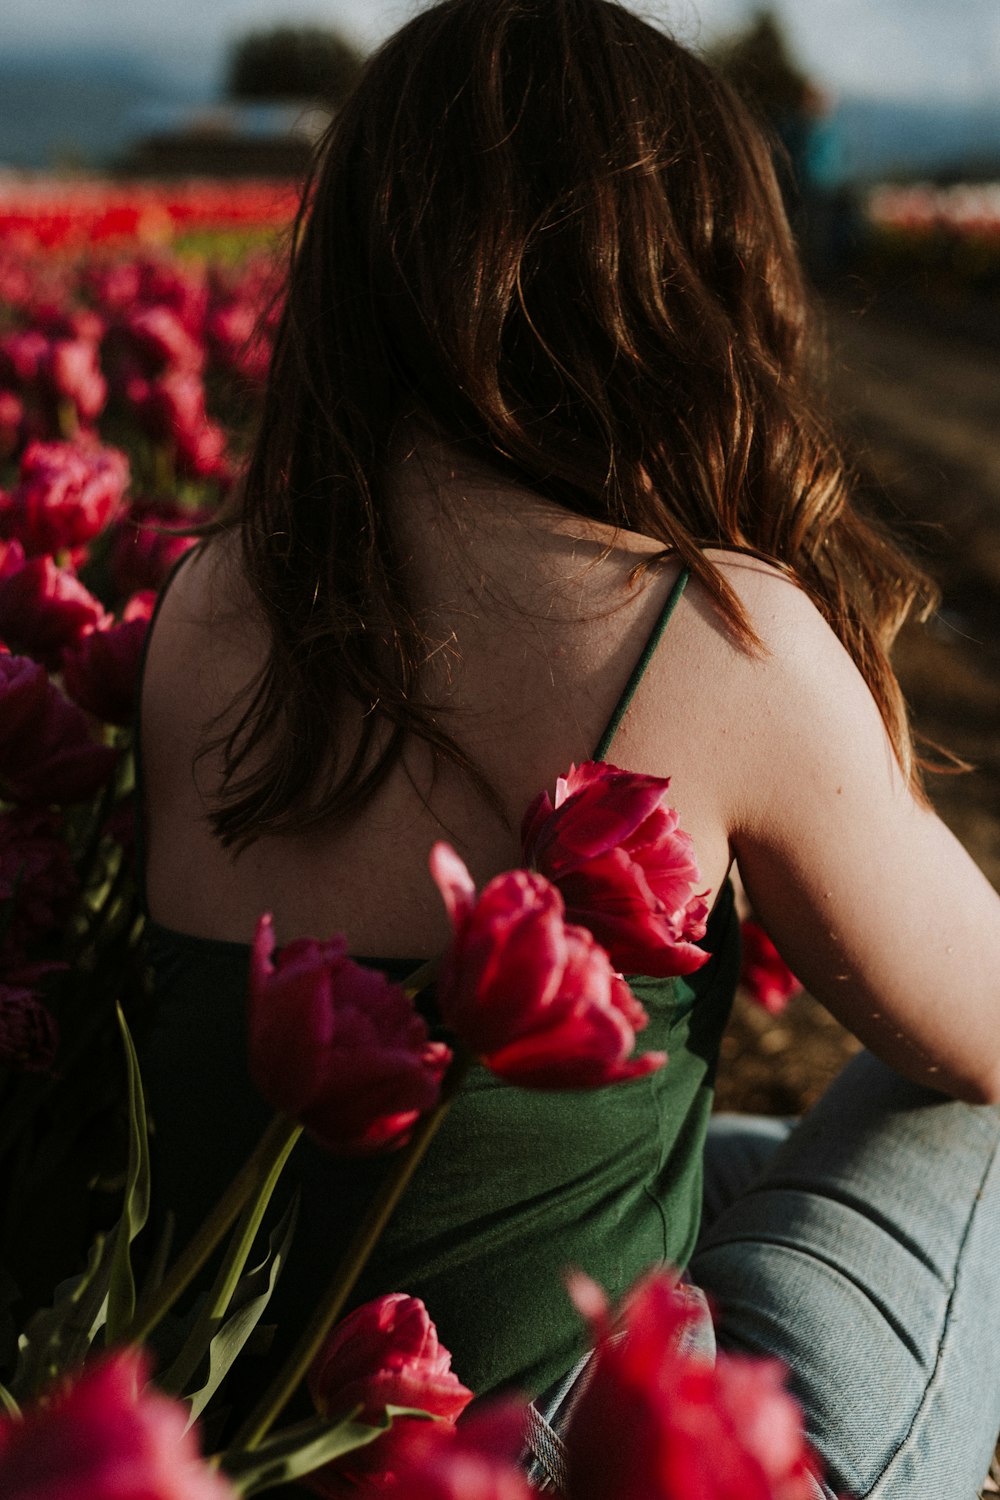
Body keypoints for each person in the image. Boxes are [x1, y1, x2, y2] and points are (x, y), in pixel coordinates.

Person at [136, 2, 1000, 1494]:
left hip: (264, 1430)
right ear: (688, 281)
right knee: (964, 1129)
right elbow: (983, 1026)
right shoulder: (701, 630)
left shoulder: (201, 595)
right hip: (596, 1465)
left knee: (727, 1148)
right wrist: (857, 726)